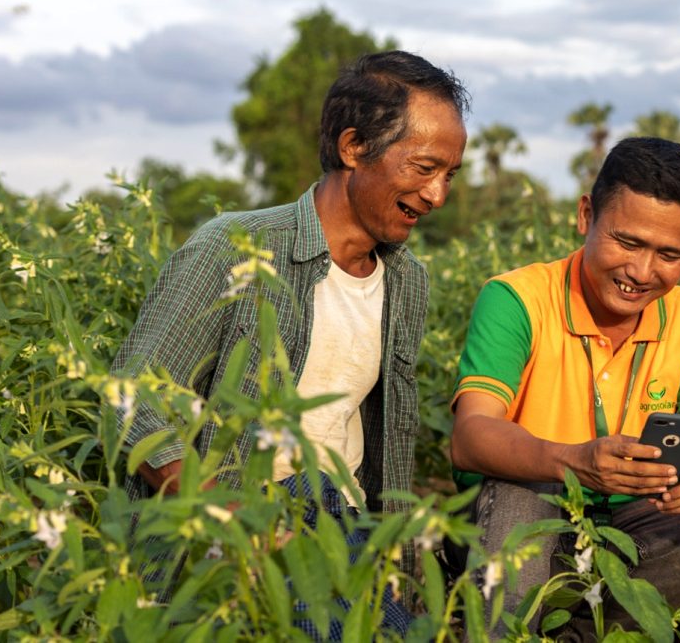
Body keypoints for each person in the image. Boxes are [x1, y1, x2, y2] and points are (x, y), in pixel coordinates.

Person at [112, 50, 469, 638]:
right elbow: (134, 397)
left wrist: (396, 561)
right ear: (354, 148)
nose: (437, 196)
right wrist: (222, 514)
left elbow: (380, 448)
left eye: (449, 175)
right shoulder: (237, 247)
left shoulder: (407, 281)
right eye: (425, 168)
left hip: (345, 526)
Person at [450, 137, 680, 635]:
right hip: (520, 514)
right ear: (586, 215)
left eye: (669, 254)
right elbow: (470, 436)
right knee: (519, 508)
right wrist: (577, 463)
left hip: (631, 530)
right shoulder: (516, 299)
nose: (641, 272)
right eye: (627, 242)